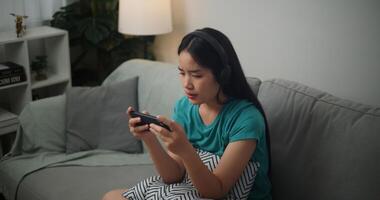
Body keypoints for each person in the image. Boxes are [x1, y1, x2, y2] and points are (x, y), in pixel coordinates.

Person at [103, 27, 272, 200]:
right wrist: (149, 138)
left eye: (196, 75)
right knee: (111, 197)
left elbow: (216, 191)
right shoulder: (184, 107)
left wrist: (186, 150)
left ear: (223, 75)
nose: (186, 84)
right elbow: (173, 176)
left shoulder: (246, 119)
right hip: (190, 192)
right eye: (182, 73)